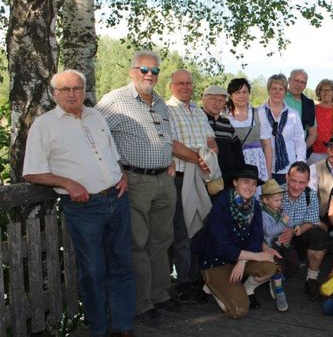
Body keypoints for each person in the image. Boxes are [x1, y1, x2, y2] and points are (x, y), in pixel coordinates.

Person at [23, 70, 135, 336]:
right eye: (65, 89)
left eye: (77, 88)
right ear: (54, 94)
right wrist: (68, 183)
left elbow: (111, 153)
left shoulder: (96, 115)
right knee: (93, 270)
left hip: (116, 199)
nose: (72, 93)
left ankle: (123, 327)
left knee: (121, 264)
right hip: (84, 208)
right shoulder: (44, 124)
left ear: (84, 90)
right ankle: (98, 329)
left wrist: (122, 174)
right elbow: (31, 172)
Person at [96, 51, 179, 323]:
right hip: (135, 180)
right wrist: (116, 168)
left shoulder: (159, 102)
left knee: (162, 239)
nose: (149, 75)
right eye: (143, 69)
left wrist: (168, 158)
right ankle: (141, 303)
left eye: (154, 71)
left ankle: (159, 293)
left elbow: (167, 135)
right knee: (137, 242)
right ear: (132, 71)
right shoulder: (115, 100)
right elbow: (94, 136)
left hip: (163, 180)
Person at [196, 165, 278, 318]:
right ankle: (210, 285)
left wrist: (243, 261)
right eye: (246, 182)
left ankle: (246, 289)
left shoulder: (255, 206)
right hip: (217, 261)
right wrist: (257, 256)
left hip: (240, 258)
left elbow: (255, 239)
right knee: (238, 311)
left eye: (254, 184)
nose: (250, 187)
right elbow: (222, 246)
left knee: (269, 267)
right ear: (235, 182)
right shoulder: (221, 205)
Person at [166, 70, 218, 302]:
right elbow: (173, 145)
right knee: (183, 229)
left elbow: (210, 140)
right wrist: (200, 159)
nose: (185, 87)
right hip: (180, 176)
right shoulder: (166, 110)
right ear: (171, 86)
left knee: (201, 225)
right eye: (180, 83)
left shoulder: (198, 111)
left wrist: (210, 156)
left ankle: (197, 278)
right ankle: (184, 282)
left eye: (189, 83)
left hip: (202, 175)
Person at [278, 162, 329, 300]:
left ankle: (311, 280)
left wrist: (295, 231)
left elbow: (312, 221)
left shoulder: (310, 195)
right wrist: (285, 232)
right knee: (287, 268)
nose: (296, 186)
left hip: (298, 234)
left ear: (307, 182)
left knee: (319, 236)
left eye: (301, 182)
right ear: (286, 177)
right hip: (277, 237)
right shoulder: (276, 194)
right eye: (293, 180)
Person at [258, 74, 306, 184]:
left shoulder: (293, 114)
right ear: (268, 90)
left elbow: (299, 142)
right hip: (264, 167)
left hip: (288, 168)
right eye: (274, 88)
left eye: (281, 89)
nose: (277, 92)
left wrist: (300, 164)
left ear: (285, 92)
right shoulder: (258, 112)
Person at [260, 179, 296, 312]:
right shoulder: (264, 214)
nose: (280, 203)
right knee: (277, 264)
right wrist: (283, 223)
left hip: (281, 242)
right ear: (265, 200)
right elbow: (269, 231)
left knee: (293, 260)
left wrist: (293, 226)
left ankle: (276, 280)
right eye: (276, 200)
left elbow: (287, 222)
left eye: (280, 200)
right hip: (271, 245)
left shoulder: (278, 210)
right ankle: (279, 289)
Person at [226, 78, 269, 186]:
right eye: (237, 92)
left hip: (257, 162)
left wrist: (269, 176)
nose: (242, 95)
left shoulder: (259, 113)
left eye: (245, 92)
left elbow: (267, 146)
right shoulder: (225, 116)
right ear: (230, 96)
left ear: (249, 93)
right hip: (234, 162)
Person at [202, 85, 245, 188]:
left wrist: (240, 175)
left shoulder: (226, 122)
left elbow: (237, 150)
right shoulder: (196, 118)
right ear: (203, 99)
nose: (217, 103)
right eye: (213, 99)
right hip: (205, 177)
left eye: (221, 100)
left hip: (228, 178)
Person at [309, 134, 333, 226]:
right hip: (322, 217)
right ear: (327, 150)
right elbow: (311, 197)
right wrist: (316, 221)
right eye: (332, 148)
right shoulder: (315, 168)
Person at [309, 79, 333, 164]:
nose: (326, 92)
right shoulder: (313, 109)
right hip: (315, 152)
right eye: (322, 90)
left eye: (329, 90)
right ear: (319, 92)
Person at [285, 69, 318, 158]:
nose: (299, 85)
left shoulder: (309, 104)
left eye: (303, 82)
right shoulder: (280, 97)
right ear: (289, 80)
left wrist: (300, 151)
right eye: (296, 80)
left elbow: (313, 134)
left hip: (298, 155)